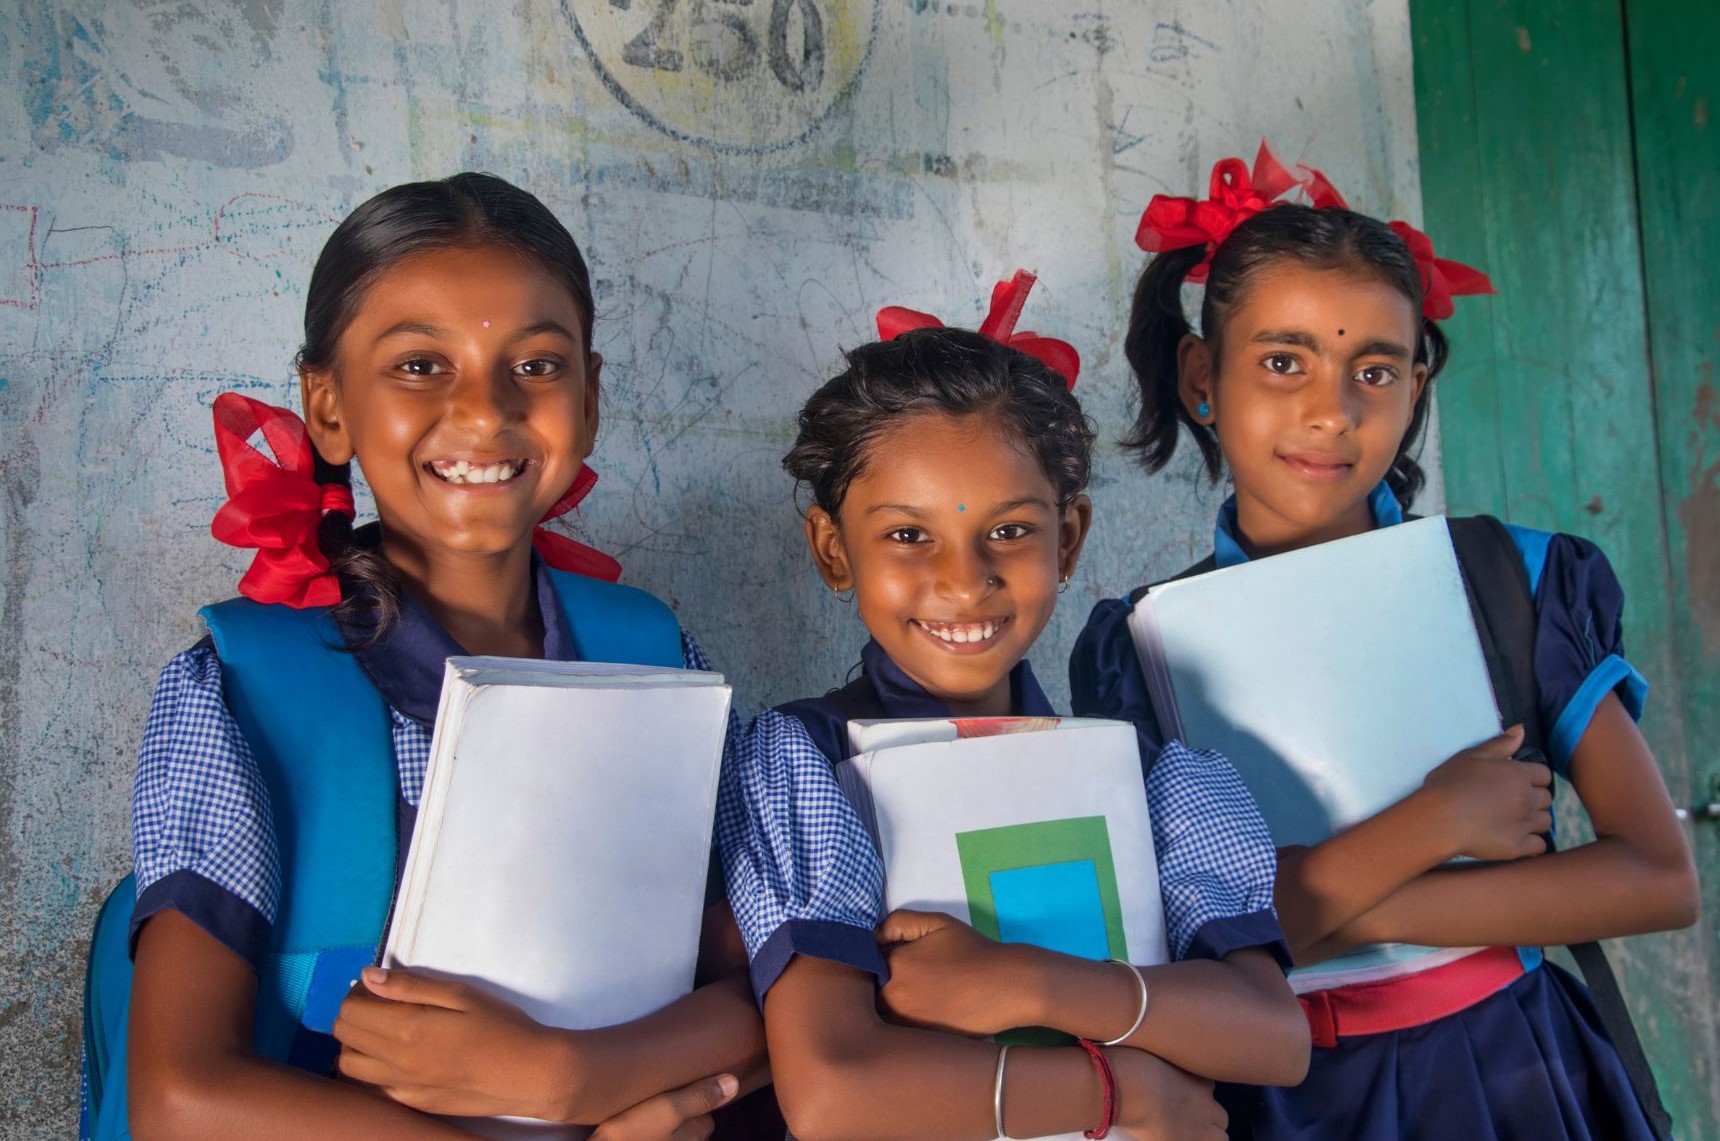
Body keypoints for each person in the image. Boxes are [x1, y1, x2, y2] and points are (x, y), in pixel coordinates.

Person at [106, 173, 765, 1141]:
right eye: (420, 364)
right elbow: (180, 1097)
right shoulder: (243, 686)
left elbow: (785, 984)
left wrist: (578, 1074)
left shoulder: (655, 655)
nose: (484, 409)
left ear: (589, 401)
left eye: (537, 366)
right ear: (327, 408)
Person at [1071, 144, 1699, 1140]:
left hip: (1517, 1072)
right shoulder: (1143, 646)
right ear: (1202, 376)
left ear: (1415, 386)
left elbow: (1657, 877)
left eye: (1375, 368)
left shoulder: (1514, 579)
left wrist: (1321, 906)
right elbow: (1171, 945)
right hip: (1281, 1097)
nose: (1332, 409)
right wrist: (1436, 823)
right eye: (1284, 361)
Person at [717, 272, 1309, 1141]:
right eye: (909, 535)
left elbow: (1273, 1033)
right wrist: (1125, 1095)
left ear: (1068, 538)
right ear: (833, 549)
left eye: (1010, 530)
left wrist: (1029, 981)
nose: (965, 580)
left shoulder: (1144, 771)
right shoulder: (807, 765)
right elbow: (836, 1091)